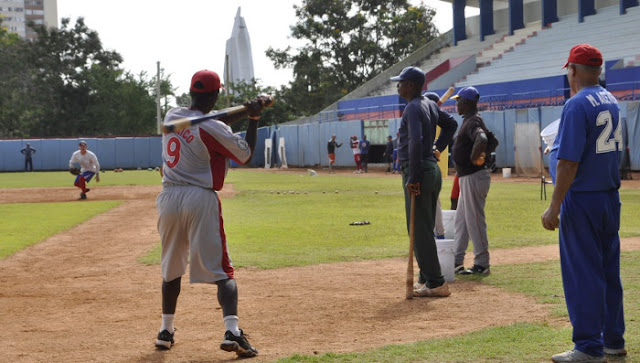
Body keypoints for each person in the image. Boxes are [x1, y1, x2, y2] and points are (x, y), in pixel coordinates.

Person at [155, 70, 268, 358]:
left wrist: (244, 109)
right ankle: (232, 331)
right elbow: (245, 154)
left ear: (191, 92)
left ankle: (166, 330)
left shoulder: (172, 115)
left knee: (171, 268)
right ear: (216, 95)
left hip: (168, 197)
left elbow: (210, 119)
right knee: (222, 271)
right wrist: (253, 118)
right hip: (199, 197)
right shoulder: (214, 129)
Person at [541, 44, 626, 363]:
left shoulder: (577, 104)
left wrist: (555, 206)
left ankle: (589, 347)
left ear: (573, 70)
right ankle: (613, 341)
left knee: (583, 273)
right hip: (608, 197)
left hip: (583, 200)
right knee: (608, 272)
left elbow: (568, 163)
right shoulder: (612, 100)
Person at [391, 66, 457, 298]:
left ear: (410, 85)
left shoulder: (412, 107)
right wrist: (438, 147)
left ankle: (436, 282)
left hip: (419, 169)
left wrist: (413, 177)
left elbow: (417, 141)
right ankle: (426, 277)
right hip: (431, 169)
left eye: (400, 82)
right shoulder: (429, 104)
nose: (397, 86)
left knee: (419, 230)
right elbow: (451, 125)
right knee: (422, 228)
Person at [450, 86, 492, 275]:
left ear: (466, 102)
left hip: (474, 176)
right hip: (468, 177)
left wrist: (474, 158)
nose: (456, 104)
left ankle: (482, 263)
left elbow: (481, 138)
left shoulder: (473, 121)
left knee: (474, 220)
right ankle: (456, 260)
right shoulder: (469, 120)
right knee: (461, 221)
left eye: (458, 100)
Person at [424, 91, 459, 240]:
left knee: (431, 200)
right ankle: (437, 233)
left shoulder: (425, 110)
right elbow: (451, 124)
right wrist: (437, 146)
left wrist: (437, 146)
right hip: (429, 162)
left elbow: (451, 124)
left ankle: (438, 234)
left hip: (426, 163)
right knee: (432, 200)